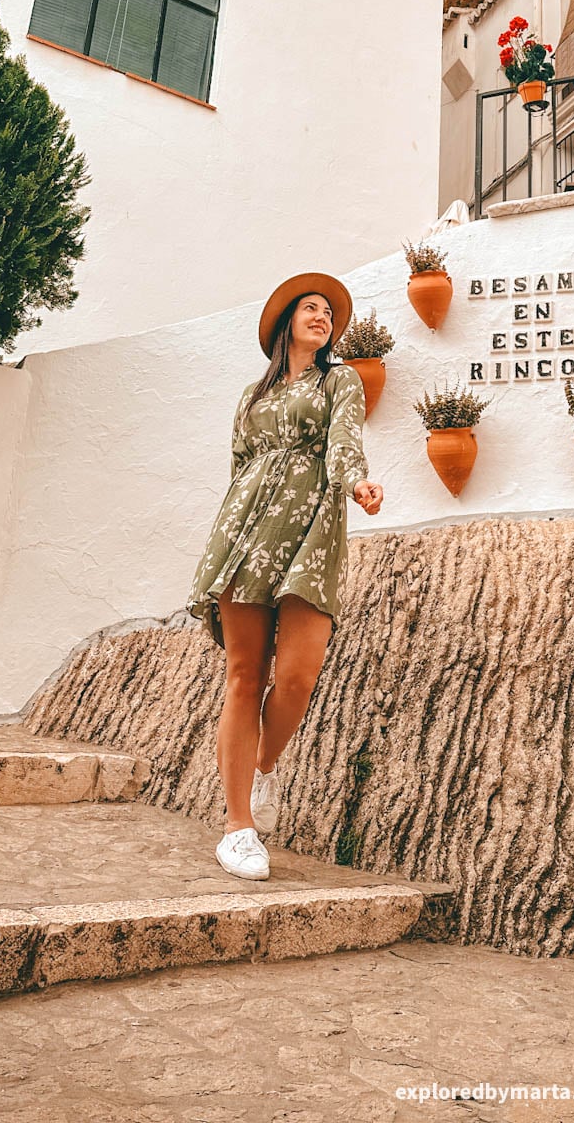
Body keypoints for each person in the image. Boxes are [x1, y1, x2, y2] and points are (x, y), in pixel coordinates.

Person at [186, 271, 384, 881]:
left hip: (312, 532)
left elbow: (343, 443)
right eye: (311, 308)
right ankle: (238, 825)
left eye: (329, 311)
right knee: (245, 676)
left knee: (298, 675)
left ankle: (263, 766)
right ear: (287, 324)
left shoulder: (340, 379)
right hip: (247, 531)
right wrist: (225, 537)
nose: (322, 316)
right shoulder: (253, 395)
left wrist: (357, 482)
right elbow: (239, 466)